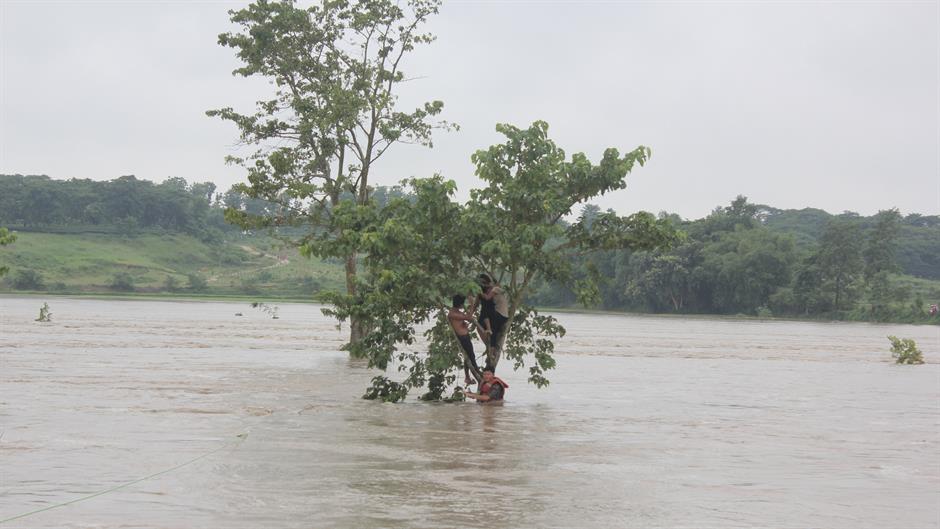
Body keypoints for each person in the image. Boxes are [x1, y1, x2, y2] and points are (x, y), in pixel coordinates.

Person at [477, 273, 509, 371]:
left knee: (486, 308)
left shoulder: (496, 289)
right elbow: (477, 302)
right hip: (495, 315)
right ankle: (490, 348)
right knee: (490, 331)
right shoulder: (488, 290)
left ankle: (491, 349)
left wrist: (477, 290)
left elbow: (487, 298)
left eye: (485, 283)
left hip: (501, 315)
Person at [448, 294, 480, 385]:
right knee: (471, 356)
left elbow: (468, 319)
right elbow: (469, 317)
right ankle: (477, 373)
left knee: (468, 356)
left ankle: (467, 377)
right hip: (462, 338)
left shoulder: (458, 312)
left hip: (465, 336)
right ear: (460, 304)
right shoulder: (453, 314)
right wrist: (473, 303)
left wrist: (464, 324)